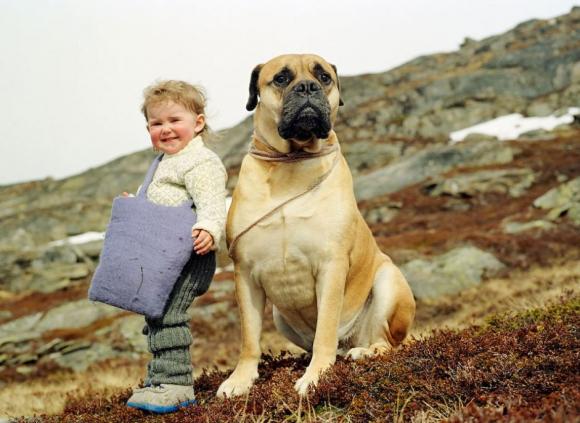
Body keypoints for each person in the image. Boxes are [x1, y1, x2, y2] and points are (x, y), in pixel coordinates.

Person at [125, 80, 227, 413]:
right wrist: (136, 203)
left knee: (169, 314)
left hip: (189, 255)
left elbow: (212, 202)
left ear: (197, 123)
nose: (165, 129)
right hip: (163, 256)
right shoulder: (163, 164)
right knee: (155, 312)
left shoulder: (200, 162)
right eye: (157, 123)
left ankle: (176, 384)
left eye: (174, 120)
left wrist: (210, 229)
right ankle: (159, 378)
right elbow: (159, 199)